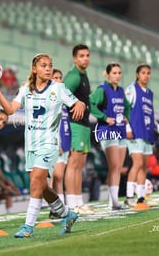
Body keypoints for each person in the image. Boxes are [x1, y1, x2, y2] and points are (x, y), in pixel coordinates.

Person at [0, 53, 86, 238]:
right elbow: (10, 110)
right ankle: (68, 214)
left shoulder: (59, 88)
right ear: (34, 69)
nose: (48, 68)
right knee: (41, 187)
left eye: (50, 65)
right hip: (31, 145)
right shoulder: (26, 88)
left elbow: (76, 102)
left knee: (36, 181)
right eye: (43, 65)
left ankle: (28, 227)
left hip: (49, 144)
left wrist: (80, 103)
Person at [124, 64, 159, 210]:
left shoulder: (149, 93)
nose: (146, 75)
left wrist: (158, 127)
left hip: (147, 133)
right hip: (135, 133)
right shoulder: (132, 89)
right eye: (143, 73)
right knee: (137, 163)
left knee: (144, 166)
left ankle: (141, 197)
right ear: (137, 74)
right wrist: (128, 127)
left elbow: (150, 114)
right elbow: (124, 109)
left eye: (148, 73)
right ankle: (129, 197)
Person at [90, 63, 130, 210]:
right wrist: (104, 117)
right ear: (107, 74)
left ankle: (113, 200)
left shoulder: (120, 90)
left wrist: (126, 117)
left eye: (119, 73)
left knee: (118, 167)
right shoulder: (102, 89)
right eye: (114, 73)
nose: (117, 75)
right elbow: (90, 103)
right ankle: (114, 201)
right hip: (107, 130)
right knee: (113, 166)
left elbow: (127, 107)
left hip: (121, 130)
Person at [63, 44, 92, 214]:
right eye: (81, 56)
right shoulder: (73, 77)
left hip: (84, 124)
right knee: (73, 164)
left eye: (87, 55)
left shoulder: (84, 75)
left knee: (80, 164)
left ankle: (79, 202)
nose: (85, 58)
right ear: (75, 59)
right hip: (75, 124)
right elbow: (62, 94)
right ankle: (72, 204)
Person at [48, 68, 71, 218]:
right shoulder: (50, 98)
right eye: (55, 77)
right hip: (56, 143)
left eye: (59, 77)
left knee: (59, 178)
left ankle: (58, 209)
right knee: (56, 176)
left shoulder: (64, 97)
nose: (58, 79)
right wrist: (59, 143)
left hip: (65, 142)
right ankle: (57, 208)